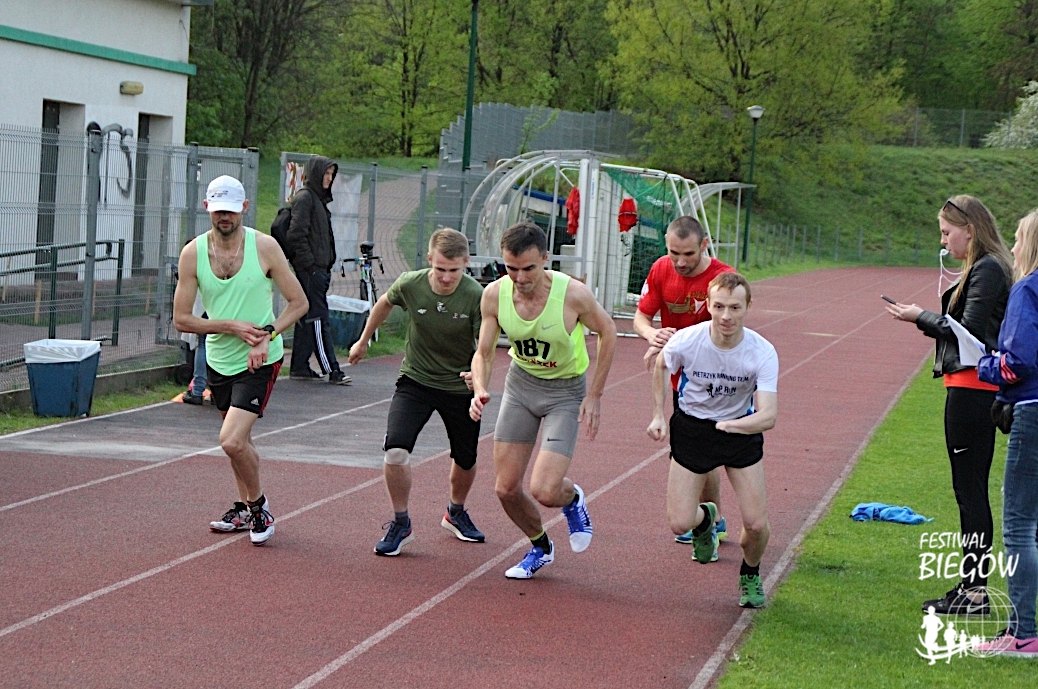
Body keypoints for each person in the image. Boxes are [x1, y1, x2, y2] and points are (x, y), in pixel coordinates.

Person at [887, 195, 1013, 615]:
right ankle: (971, 587)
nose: (943, 241)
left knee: (970, 490)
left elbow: (968, 331)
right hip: (970, 388)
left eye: (946, 232)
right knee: (969, 489)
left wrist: (919, 316)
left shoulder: (988, 268)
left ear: (969, 231)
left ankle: (975, 593)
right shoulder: (985, 267)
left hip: (974, 390)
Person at [470, 221, 617, 579]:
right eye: (511, 268)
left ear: (546, 259)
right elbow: (484, 353)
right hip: (521, 387)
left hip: (564, 392)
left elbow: (608, 330)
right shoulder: (494, 295)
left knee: (546, 490)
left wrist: (595, 395)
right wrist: (479, 388)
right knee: (506, 489)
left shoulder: (573, 295)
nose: (520, 278)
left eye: (529, 269)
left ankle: (573, 499)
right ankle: (540, 547)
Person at [173, 175, 308, 545]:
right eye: (218, 210)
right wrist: (229, 326)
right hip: (219, 360)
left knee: (231, 441)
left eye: (231, 211)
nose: (225, 217)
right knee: (240, 442)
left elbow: (299, 303)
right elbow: (182, 319)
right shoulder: (193, 254)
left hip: (259, 360)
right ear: (207, 208)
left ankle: (259, 508)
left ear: (244, 208)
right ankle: (246, 508)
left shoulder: (265, 247)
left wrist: (268, 334)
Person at [348, 229, 486, 556]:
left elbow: (485, 348)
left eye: (454, 270)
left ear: (466, 263)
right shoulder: (411, 283)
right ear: (429, 260)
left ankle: (455, 512)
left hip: (458, 385)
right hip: (416, 380)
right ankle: (401, 522)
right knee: (395, 450)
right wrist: (363, 340)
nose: (446, 277)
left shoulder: (476, 295)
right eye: (440, 269)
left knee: (465, 458)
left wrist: (477, 378)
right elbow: (384, 303)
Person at [647, 272, 778, 608]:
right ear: (707, 305)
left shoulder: (762, 352)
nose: (726, 316)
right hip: (693, 429)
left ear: (748, 307)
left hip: (740, 430)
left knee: (756, 524)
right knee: (679, 522)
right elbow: (661, 364)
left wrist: (734, 425)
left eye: (735, 307)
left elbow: (768, 416)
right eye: (718, 306)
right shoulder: (687, 340)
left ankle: (750, 573)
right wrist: (659, 415)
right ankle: (706, 520)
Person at [634, 215, 734, 549]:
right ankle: (713, 519)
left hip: (713, 377)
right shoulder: (660, 269)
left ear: (704, 245)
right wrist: (653, 335)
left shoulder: (722, 278)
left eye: (688, 254)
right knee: (694, 452)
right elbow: (641, 317)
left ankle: (711, 520)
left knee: (700, 451)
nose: (680, 261)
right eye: (674, 252)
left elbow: (729, 328)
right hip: (678, 377)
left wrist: (674, 344)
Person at [976, 210, 1038, 656]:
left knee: (1019, 525)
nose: (1012, 248)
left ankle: (1022, 631)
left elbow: (1016, 363)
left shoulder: (1027, 289)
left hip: (1032, 410)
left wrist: (984, 365)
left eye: (1017, 239)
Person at [287, 154, 351, 385]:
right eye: (326, 173)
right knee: (317, 318)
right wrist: (309, 265)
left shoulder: (318, 200)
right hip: (311, 270)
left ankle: (300, 366)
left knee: (307, 317)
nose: (329, 178)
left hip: (319, 269)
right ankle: (332, 368)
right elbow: (296, 234)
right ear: (316, 173)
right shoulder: (306, 199)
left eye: (332, 174)